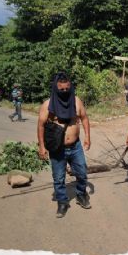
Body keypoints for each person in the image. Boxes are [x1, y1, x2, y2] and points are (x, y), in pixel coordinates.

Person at [37, 72, 91, 218]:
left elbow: (85, 119)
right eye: (61, 90)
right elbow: (41, 125)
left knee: (81, 173)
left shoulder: (76, 101)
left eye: (67, 89)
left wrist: (88, 138)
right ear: (55, 88)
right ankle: (62, 202)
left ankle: (81, 194)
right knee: (59, 178)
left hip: (75, 146)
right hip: (57, 148)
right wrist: (42, 146)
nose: (64, 92)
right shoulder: (48, 105)